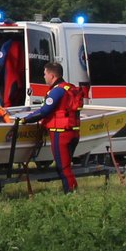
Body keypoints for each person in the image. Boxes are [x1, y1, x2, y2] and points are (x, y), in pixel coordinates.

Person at [26, 60, 84, 192]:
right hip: (73, 132)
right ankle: (72, 191)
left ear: (52, 76)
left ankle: (70, 194)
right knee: (66, 166)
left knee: (62, 167)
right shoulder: (69, 88)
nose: (44, 77)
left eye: (45, 74)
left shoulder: (56, 92)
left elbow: (44, 111)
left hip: (61, 134)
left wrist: (25, 120)